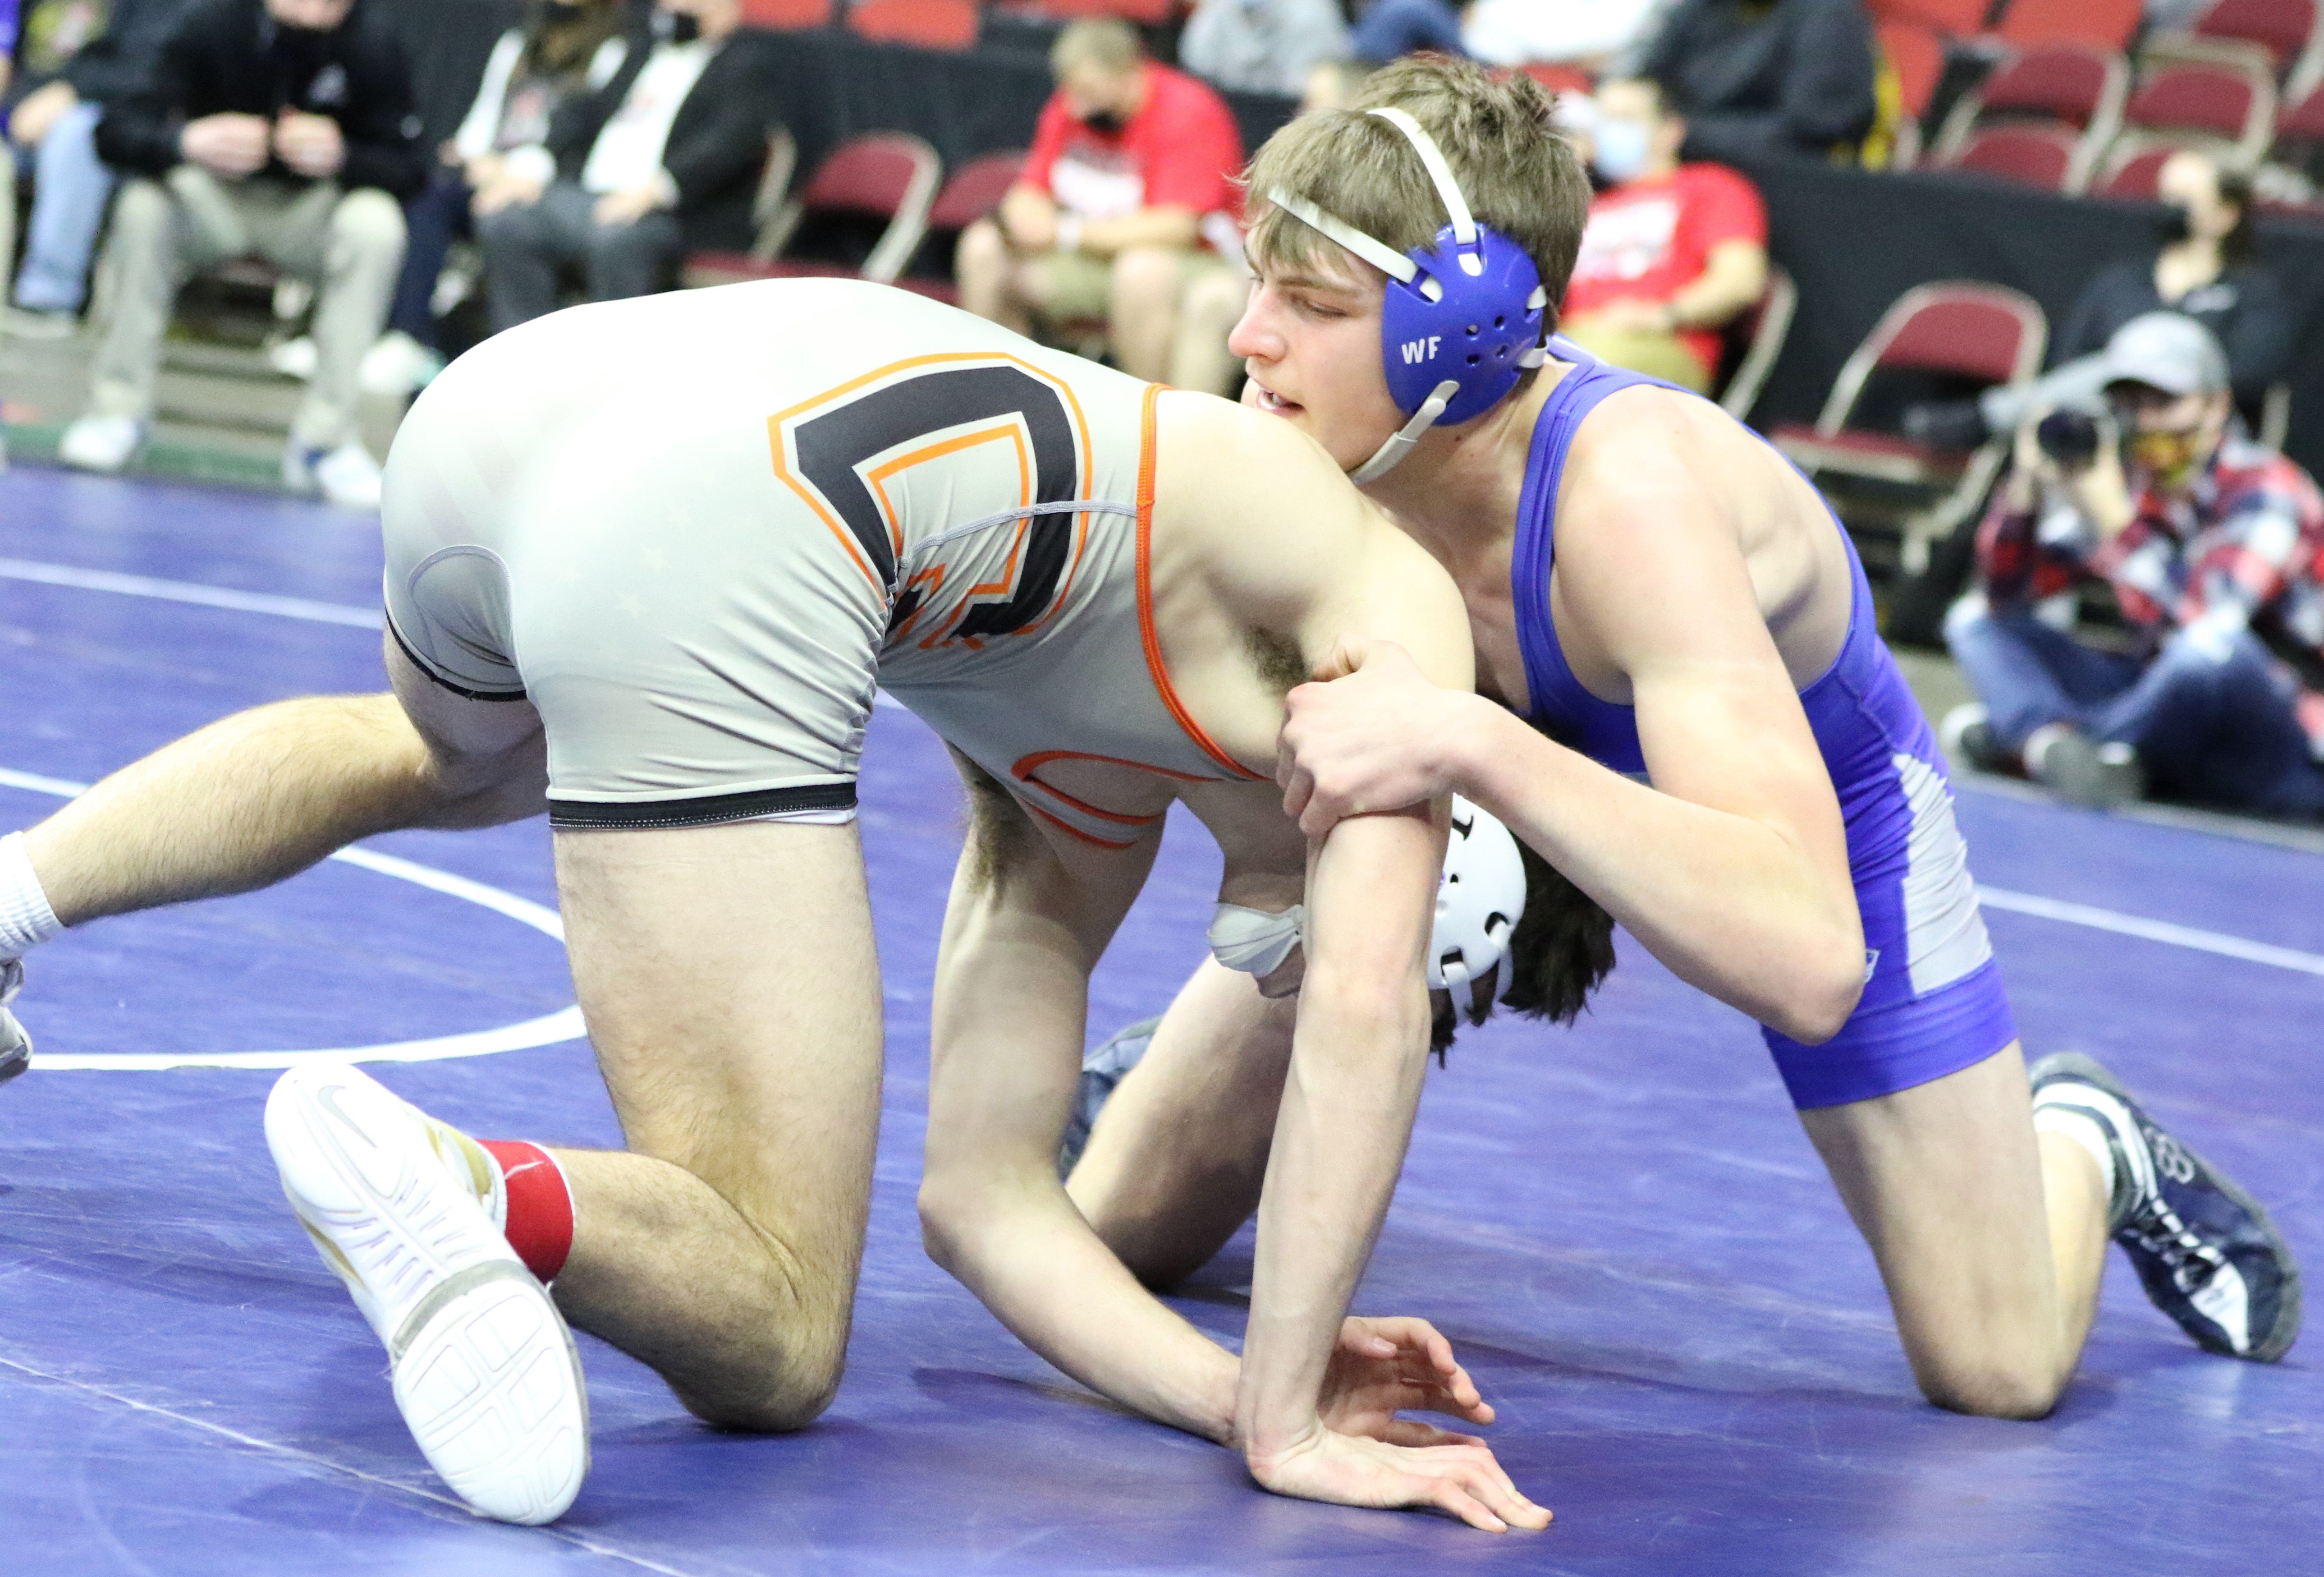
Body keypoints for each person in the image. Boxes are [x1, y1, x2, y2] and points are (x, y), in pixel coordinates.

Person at [0, 277, 1551, 1535]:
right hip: (718, 515)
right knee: (781, 1325)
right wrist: (1281, 1412)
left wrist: (1231, 1387)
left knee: (448, 757)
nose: (1271, 991)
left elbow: (982, 1201)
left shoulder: (1081, 812)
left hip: (521, 402)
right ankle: (463, 1184)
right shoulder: (1374, 615)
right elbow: (1362, 1010)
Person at [1063, 59, 2301, 1418]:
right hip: (1492, 772)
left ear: (1455, 337)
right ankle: (1173, 1069)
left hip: (1807, 823)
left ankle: (2078, 1137)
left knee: (1995, 1364)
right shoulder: (1318, 449)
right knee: (1111, 1233)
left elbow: (1810, 957)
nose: (1246, 338)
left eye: (1308, 305)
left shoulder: (1622, 497)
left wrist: (1473, 745)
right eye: (1255, 286)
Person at [1944, 313, 2324, 819]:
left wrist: (2116, 521)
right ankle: (2073, 750)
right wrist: (2025, 492)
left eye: (2164, 403)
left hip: (2280, 730)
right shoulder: (2129, 483)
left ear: (2216, 405)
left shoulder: (2267, 487)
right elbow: (2003, 595)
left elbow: (2211, 620)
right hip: (2162, 706)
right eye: (2130, 404)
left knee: (2210, 652)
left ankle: (2037, 742)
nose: (2145, 421)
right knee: (1974, 621)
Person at [56, 0, 423, 508]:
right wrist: (186, 141)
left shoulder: (374, 40)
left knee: (375, 224)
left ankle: (326, 440)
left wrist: (345, 157)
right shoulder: (210, 21)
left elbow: (413, 168)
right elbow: (114, 131)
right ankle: (116, 410)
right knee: (143, 205)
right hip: (212, 201)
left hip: (308, 214)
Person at [1910, 151, 2296, 453]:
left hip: (2192, 426)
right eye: (2165, 196)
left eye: (2184, 200)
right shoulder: (2119, 280)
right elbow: (2071, 359)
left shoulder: (2251, 291)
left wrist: (2157, 371)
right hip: (2108, 419)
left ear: (2226, 214)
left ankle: (1985, 418)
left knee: (2152, 349)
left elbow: (2248, 374)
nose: (2168, 208)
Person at [956, 18, 1246, 393]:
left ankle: (1148, 426)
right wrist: (1022, 216)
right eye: (1072, 93)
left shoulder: (1187, 110)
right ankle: (990, 397)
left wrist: (1064, 232)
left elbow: (1177, 227)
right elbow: (1032, 188)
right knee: (982, 246)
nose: (1077, 107)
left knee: (1140, 270)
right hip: (1092, 260)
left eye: (1090, 92)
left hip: (1193, 259)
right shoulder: (1070, 104)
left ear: (1129, 74)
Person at [365, 0, 638, 391]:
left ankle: (520, 364)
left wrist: (518, 172)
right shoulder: (519, 41)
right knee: (431, 195)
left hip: (551, 180)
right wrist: (471, 156)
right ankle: (407, 337)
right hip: (491, 170)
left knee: (507, 215)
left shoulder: (615, 50)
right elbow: (486, 114)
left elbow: (582, 131)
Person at [475, 0, 779, 333]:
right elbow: (583, 115)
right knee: (507, 219)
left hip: (671, 212)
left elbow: (730, 142)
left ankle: (612, 365)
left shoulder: (748, 65)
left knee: (618, 239)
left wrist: (655, 190)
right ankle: (524, 351)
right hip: (589, 197)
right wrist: (532, 168)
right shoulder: (640, 51)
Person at [1559, 75, 1766, 395]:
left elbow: (1740, 281)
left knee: (1572, 369)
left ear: (1670, 131)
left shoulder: (1711, 186)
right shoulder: (1586, 206)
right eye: (1603, 120)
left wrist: (1662, 315)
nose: (1610, 131)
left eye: (1626, 119)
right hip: (1573, 339)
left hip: (1659, 343)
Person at [2, 0, 182, 335]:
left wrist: (71, 91)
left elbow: (146, 68)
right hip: (16, 118)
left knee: (75, 135)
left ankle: (48, 297)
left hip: (101, 124)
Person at [1636, 0, 1875, 161]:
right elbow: (1648, 81)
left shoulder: (1829, 15)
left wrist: (1685, 132)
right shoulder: (1701, 9)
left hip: (1786, 183)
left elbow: (1814, 129)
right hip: (1678, 164)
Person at [1180, 0, 1349, 97]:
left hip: (1291, 120)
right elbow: (1196, 66)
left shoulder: (1313, 13)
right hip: (1224, 112)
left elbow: (1315, 90)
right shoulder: (1217, 9)